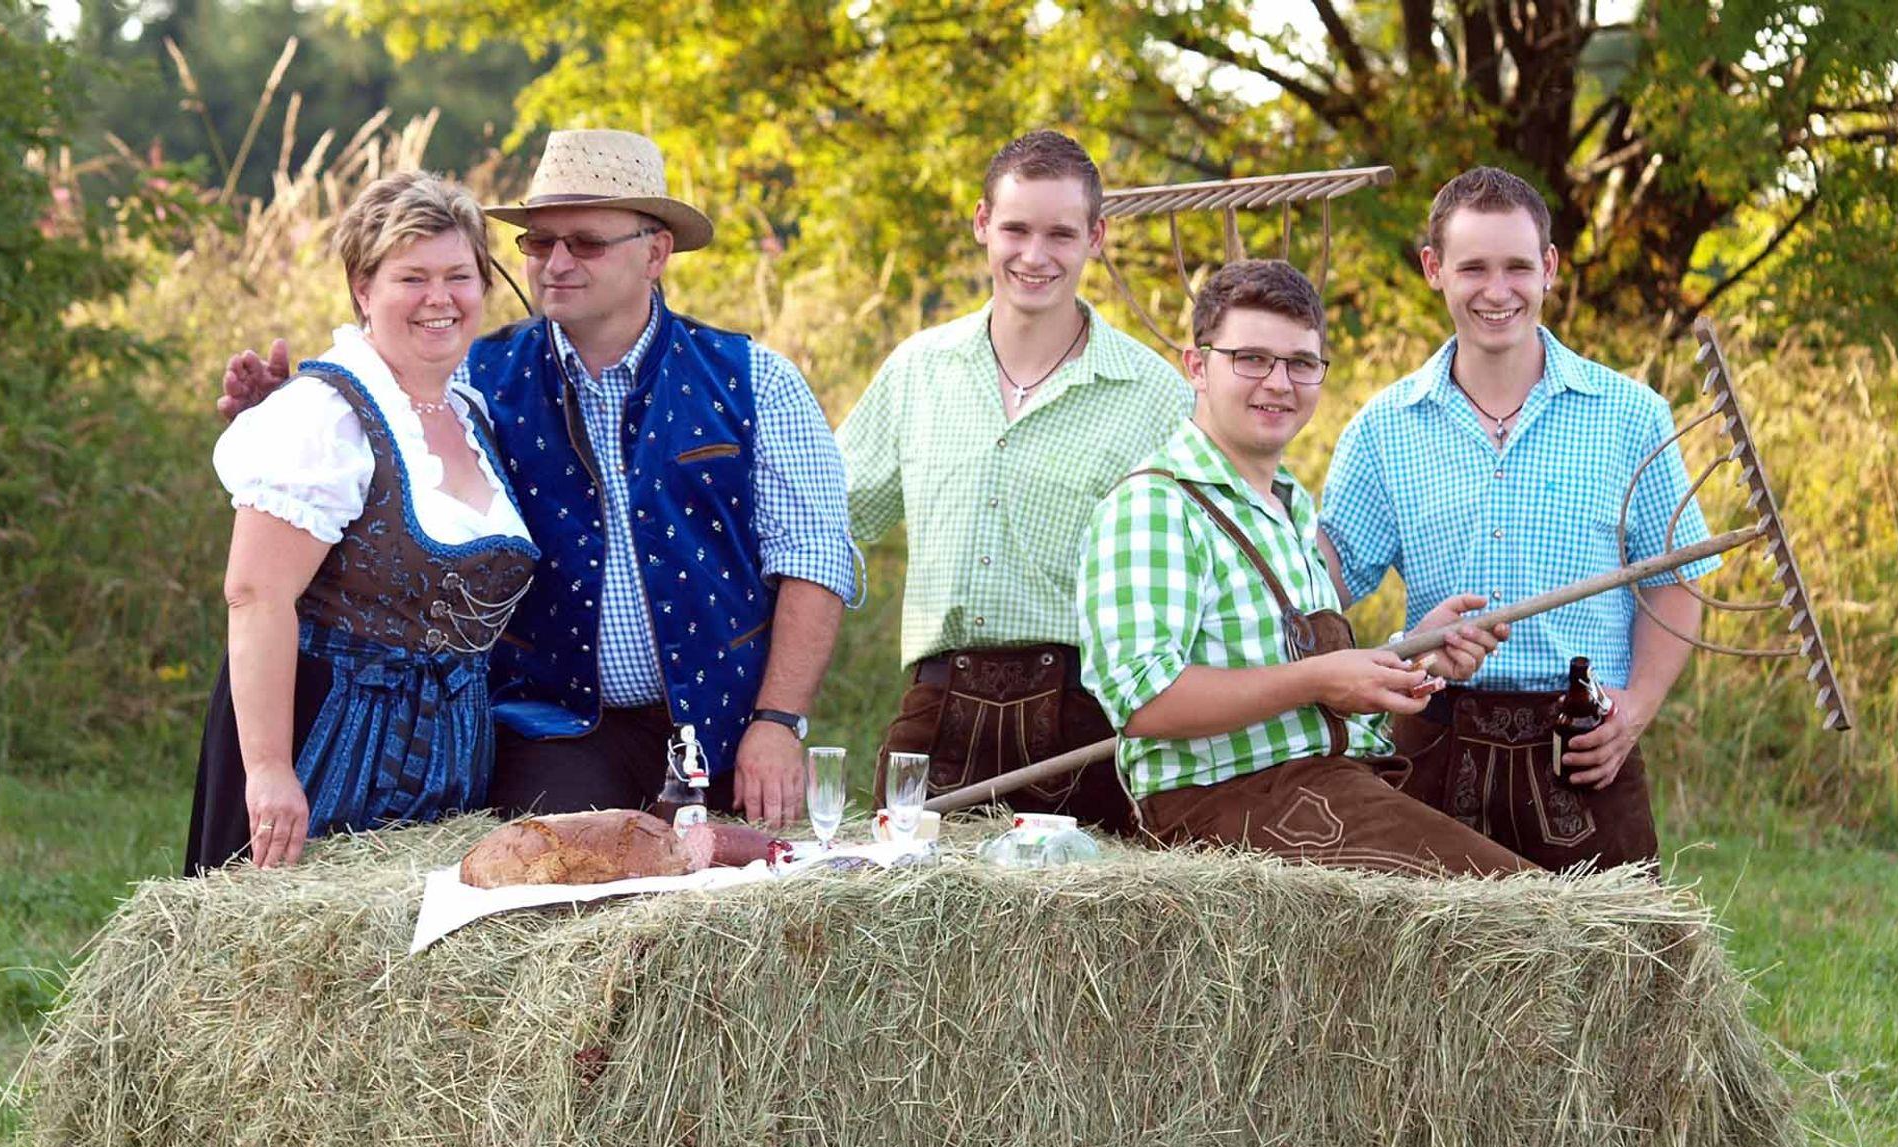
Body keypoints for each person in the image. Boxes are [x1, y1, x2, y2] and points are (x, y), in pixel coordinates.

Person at [220, 131, 857, 827]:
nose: (555, 263)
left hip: (727, 723)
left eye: (585, 242)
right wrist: (286, 412)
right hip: (552, 731)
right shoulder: (472, 379)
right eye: (538, 242)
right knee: (557, 875)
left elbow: (813, 559)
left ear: (656, 252)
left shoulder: (758, 381)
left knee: (751, 882)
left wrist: (778, 720)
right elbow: (365, 431)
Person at [1319, 166, 1717, 871]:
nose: (1497, 291)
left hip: (1580, 745)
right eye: (1473, 268)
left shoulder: (1631, 417)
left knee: (1606, 944)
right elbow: (1323, 586)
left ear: (1550, 269)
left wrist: (1636, 708)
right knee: (1425, 943)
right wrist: (1405, 645)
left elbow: (1675, 579)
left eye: (1517, 267)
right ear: (1434, 270)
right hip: (1435, 739)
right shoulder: (1384, 427)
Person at [1078, 259, 1530, 876]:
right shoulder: (1155, 505)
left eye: (1300, 363)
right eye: (1251, 359)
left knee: (1530, 899)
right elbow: (1144, 703)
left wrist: (1412, 659)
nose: (1278, 383)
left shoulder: (1287, 506)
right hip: (1224, 810)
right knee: (1514, 901)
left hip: (1324, 789)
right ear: (1196, 367)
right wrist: (1318, 678)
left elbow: (1306, 693)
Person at [838, 130, 1194, 832]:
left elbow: (1200, 568)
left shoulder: (1157, 395)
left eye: (1061, 234)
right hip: (935, 710)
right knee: (899, 895)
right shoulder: (918, 371)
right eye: (1016, 229)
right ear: (982, 223)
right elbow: (829, 517)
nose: (1035, 256)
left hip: (1087, 724)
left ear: (1096, 238)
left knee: (1096, 903)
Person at [187, 171, 538, 874]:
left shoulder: (471, 412)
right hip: (328, 745)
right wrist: (269, 770)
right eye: (412, 278)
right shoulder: (323, 416)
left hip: (448, 761)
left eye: (459, 277)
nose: (439, 298)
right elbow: (255, 596)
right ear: (362, 289)